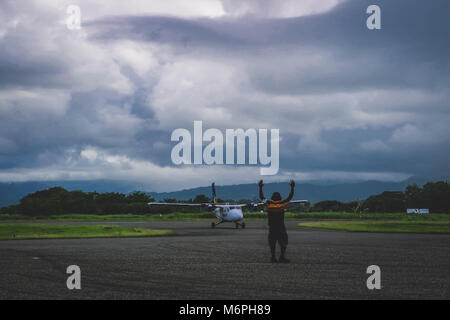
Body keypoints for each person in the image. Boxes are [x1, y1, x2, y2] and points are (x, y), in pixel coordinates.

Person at [258, 179, 295, 263]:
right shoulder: (282, 204)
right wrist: (292, 187)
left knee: (272, 242)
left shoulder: (269, 204)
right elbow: (290, 197)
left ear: (272, 198)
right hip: (281, 226)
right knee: (283, 242)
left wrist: (260, 187)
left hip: (272, 226)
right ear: (280, 198)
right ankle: (282, 256)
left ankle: (273, 257)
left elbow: (262, 197)